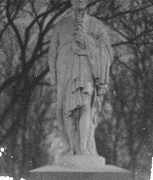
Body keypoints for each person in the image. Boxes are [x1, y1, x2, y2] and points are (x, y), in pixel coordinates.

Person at [48, 0, 113, 157]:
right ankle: (71, 147)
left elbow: (107, 49)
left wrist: (86, 39)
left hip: (86, 67)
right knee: (67, 111)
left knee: (85, 106)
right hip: (65, 69)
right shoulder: (61, 25)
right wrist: (53, 78)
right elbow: (52, 53)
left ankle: (83, 147)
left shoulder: (96, 25)